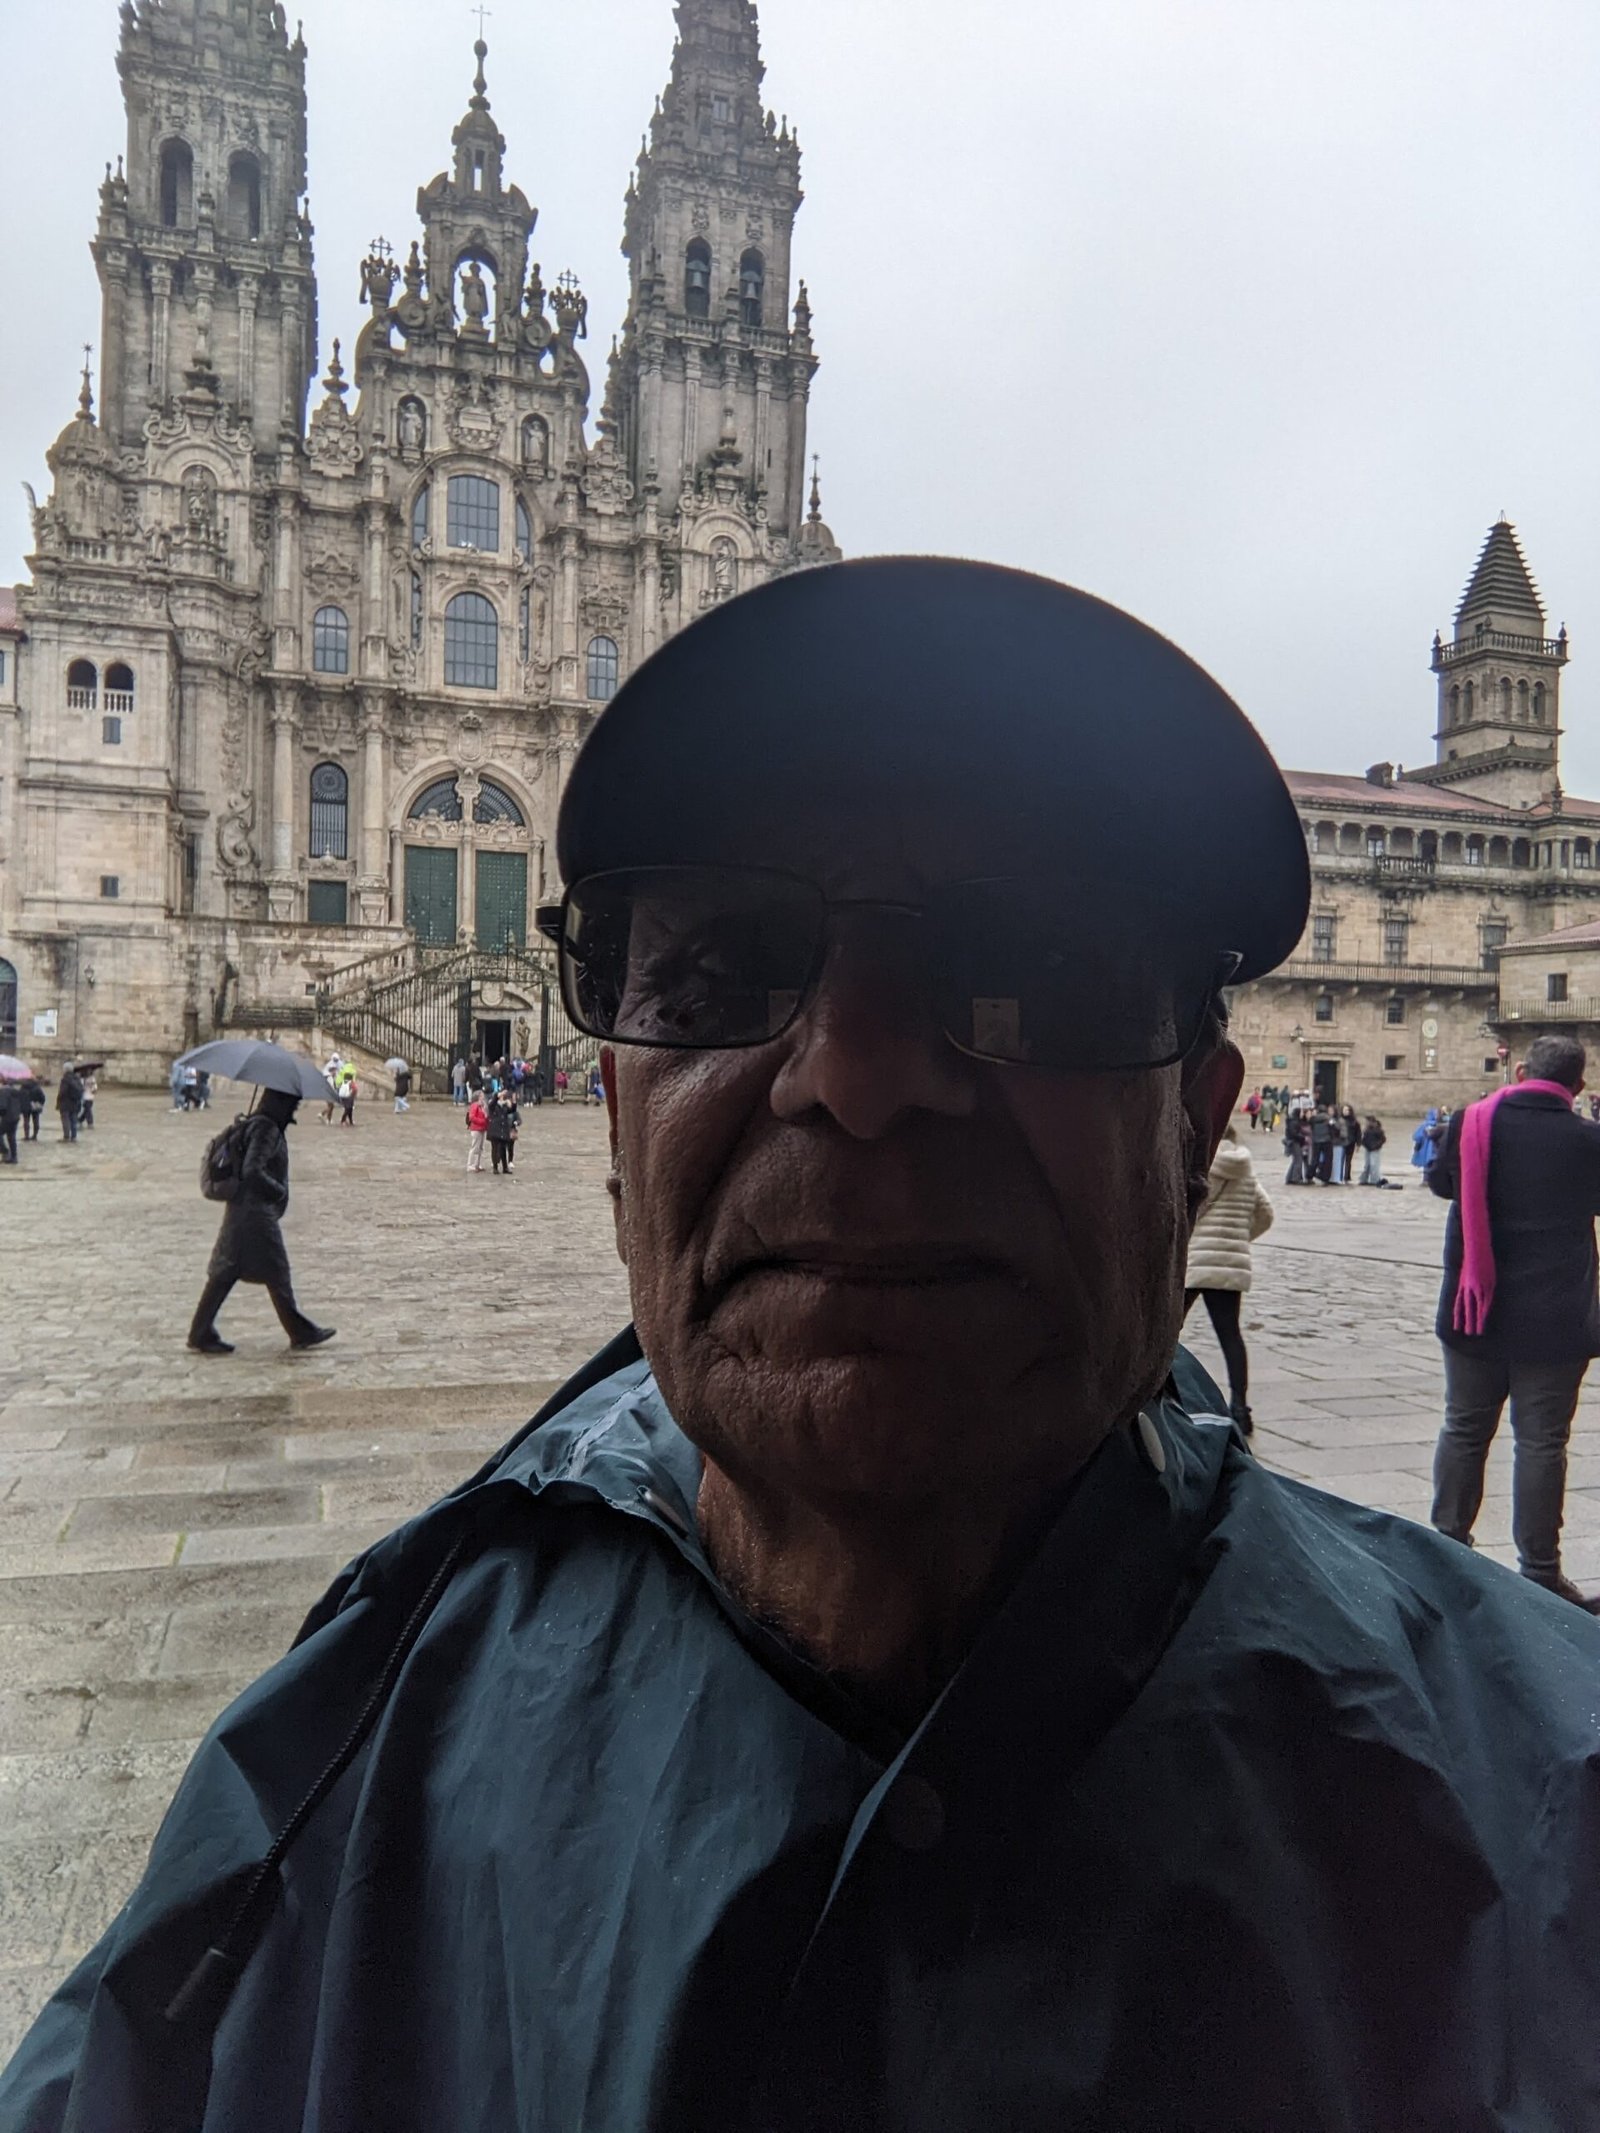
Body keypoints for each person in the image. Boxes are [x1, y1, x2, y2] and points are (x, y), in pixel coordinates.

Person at [10, 561, 1600, 2133]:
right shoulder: (348, 1751)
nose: (856, 1071)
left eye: (1030, 972)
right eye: (718, 972)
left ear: (1198, 1128)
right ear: (617, 1117)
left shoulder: (1552, 1802)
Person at [1429, 1035, 1600, 1612]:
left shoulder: (1470, 1123)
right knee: (1542, 1444)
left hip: (1473, 1312)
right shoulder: (1588, 1141)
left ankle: (1445, 1550)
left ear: (1522, 1071)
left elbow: (1441, 1184)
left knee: (1463, 1429)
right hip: (1556, 1321)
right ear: (1577, 1086)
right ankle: (1541, 1573)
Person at [186, 1088, 335, 1357]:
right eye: (292, 1104)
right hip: (256, 1213)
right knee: (276, 1272)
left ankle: (200, 1331)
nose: (294, 1110)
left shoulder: (255, 1124)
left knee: (225, 1272)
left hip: (240, 1210)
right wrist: (277, 1190)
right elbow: (252, 1170)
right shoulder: (266, 1129)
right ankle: (300, 1331)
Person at [1183, 1123, 1273, 1434]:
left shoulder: (1203, 1168)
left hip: (1195, 1260)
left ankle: (1160, 1396)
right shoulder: (1245, 1170)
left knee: (1168, 1331)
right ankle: (1241, 1409)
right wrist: (1238, 1241)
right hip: (1229, 1264)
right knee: (1230, 1335)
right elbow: (1266, 1213)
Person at [487, 1086, 520, 1176]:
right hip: (495, 1129)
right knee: (495, 1149)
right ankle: (495, 1167)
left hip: (503, 1129)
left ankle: (505, 1167)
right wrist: (498, 1095)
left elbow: (512, 1110)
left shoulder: (505, 1105)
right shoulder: (493, 1105)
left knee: (503, 1149)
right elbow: (492, 1103)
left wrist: (514, 1101)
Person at [56, 1065, 84, 1143]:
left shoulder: (65, 1079)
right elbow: (82, 1089)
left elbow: (62, 1092)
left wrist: (59, 1100)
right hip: (75, 1103)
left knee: (66, 1120)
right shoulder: (77, 1078)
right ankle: (74, 1136)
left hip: (65, 1103)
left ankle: (66, 1136)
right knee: (74, 1120)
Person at [1359, 1112, 1387, 1186]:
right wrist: (1364, 1144)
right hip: (1367, 1149)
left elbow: (1383, 1139)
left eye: (1367, 1121)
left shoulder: (1378, 1130)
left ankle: (1374, 1180)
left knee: (1374, 1165)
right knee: (1367, 1165)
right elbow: (1363, 1139)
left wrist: (1376, 1146)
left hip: (1375, 1149)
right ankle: (1363, 1180)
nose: (1366, 1123)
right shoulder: (1366, 1130)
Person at [1412, 1105, 1443, 1169]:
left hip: (1426, 1154)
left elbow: (1418, 1138)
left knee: (1427, 1170)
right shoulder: (1442, 1126)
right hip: (1438, 1154)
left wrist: (1416, 1152)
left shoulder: (1425, 1125)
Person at [466, 1092, 489, 1173]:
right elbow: (472, 1117)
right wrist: (482, 1121)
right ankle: (470, 1164)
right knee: (475, 1147)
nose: (483, 1097)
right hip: (476, 1129)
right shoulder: (475, 1105)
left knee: (480, 1147)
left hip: (482, 1128)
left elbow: (486, 1116)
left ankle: (477, 1164)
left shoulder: (483, 1106)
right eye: (482, 1096)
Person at [0, 1078, 21, 1164]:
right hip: (15, 1117)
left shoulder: (3, 1092)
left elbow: (2, 1106)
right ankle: (14, 1157)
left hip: (7, 1117)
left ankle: (5, 1151)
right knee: (11, 1137)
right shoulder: (16, 1092)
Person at [20, 1076, 44, 1142]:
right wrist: (40, 1103)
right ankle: (35, 1135)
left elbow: (20, 1097)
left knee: (26, 1121)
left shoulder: (23, 1087)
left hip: (26, 1106)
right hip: (35, 1106)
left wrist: (21, 1105)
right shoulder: (37, 1087)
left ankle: (26, 1136)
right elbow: (42, 1097)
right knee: (36, 1121)